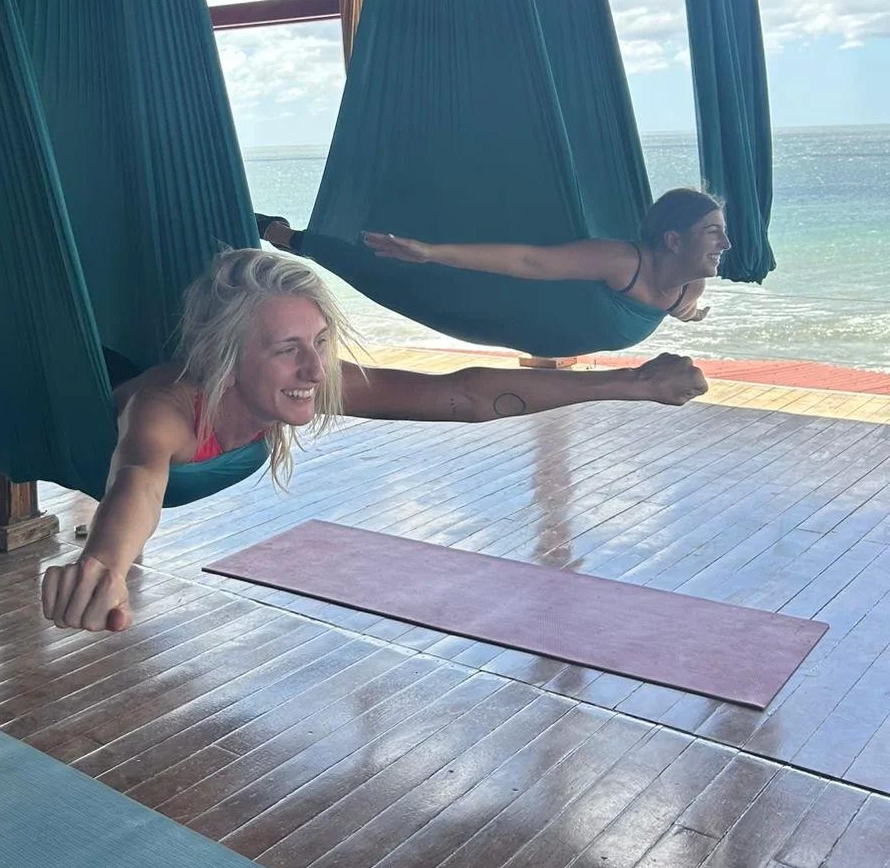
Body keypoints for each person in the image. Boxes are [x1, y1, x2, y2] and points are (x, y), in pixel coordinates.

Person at [41, 247, 707, 636]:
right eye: (287, 351)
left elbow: (465, 396)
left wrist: (632, 383)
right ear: (227, 358)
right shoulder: (168, 411)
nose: (313, 370)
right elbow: (139, 477)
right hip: (52, 381)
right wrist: (105, 561)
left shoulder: (304, 382)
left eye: (321, 345)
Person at [259, 188, 727, 326]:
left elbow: (681, 303)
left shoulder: (692, 282)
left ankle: (284, 234)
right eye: (713, 233)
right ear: (671, 239)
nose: (725, 245)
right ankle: (278, 232)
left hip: (531, 321)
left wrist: (688, 314)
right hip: (500, 302)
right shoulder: (623, 262)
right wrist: (430, 253)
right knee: (380, 267)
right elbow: (530, 262)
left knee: (384, 269)